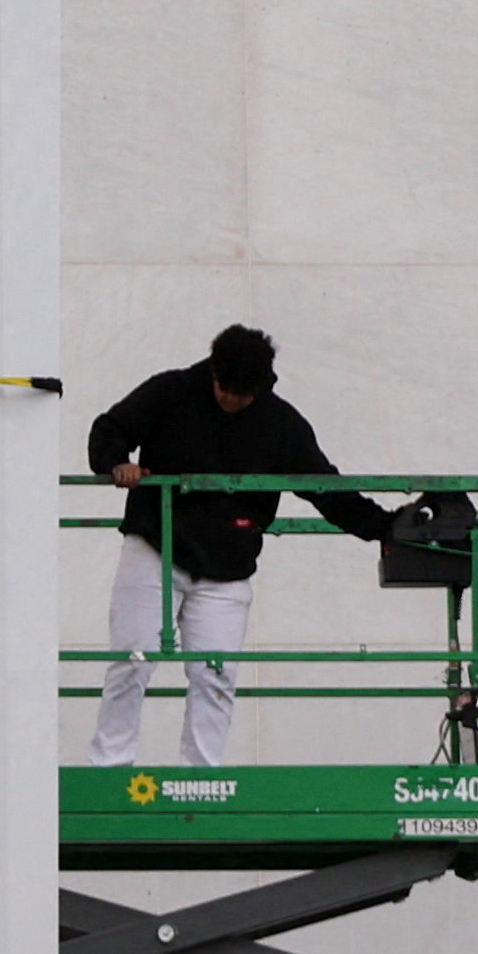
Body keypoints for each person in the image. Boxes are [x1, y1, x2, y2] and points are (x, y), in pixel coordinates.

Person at [84, 324, 393, 769]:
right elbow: (109, 427)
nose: (230, 400)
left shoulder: (281, 424)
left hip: (227, 568)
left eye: (242, 394)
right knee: (132, 661)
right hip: (156, 549)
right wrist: (115, 462)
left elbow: (326, 489)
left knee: (215, 675)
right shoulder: (170, 391)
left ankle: (202, 778)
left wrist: (383, 527)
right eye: (223, 389)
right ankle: (108, 769)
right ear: (212, 372)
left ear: (261, 387)